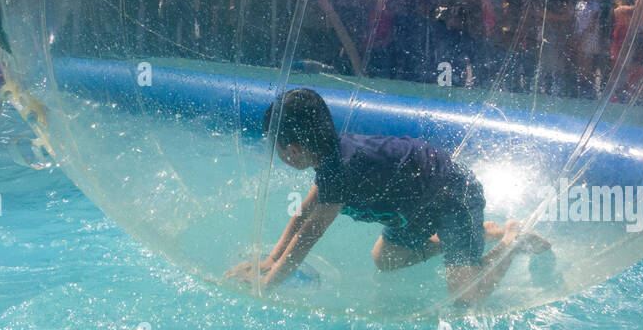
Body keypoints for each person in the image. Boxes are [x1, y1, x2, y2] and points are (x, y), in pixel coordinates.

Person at [225, 88, 552, 307]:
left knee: (466, 299)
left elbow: (306, 239)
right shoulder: (329, 159)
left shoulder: (340, 172)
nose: (277, 153)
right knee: (385, 259)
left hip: (452, 195)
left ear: (293, 149)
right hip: (414, 207)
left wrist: (263, 290)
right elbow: (301, 216)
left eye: (276, 147)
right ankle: (471, 237)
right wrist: (270, 261)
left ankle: (511, 240)